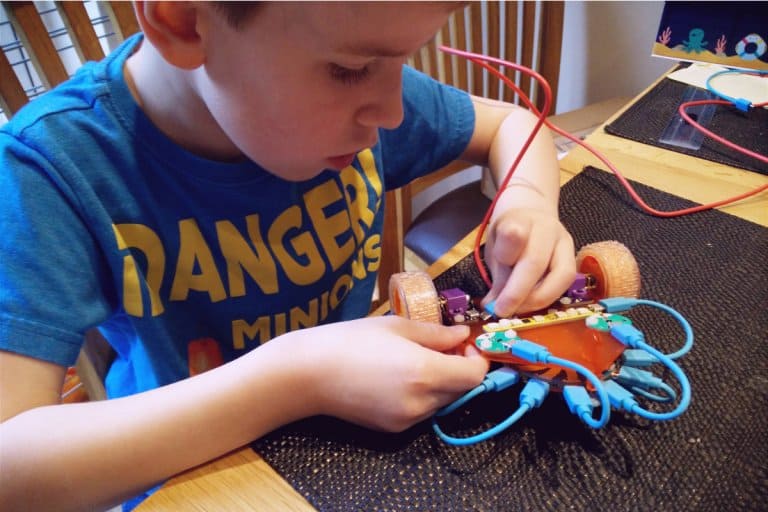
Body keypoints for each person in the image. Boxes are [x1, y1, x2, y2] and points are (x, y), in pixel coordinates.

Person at [0, 2, 575, 510]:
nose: (393, 113)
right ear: (182, 20)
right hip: (193, 475)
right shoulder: (50, 171)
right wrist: (298, 379)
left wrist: (527, 203)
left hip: (356, 442)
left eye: (402, 59)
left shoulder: (355, 88)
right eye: (350, 69)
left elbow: (515, 124)